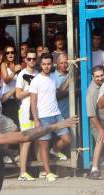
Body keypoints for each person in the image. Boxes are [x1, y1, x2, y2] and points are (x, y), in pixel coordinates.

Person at [29, 53, 72, 182]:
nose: (46, 66)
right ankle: (48, 173)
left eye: (48, 64)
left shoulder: (54, 77)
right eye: (44, 64)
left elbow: (61, 90)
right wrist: (36, 120)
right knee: (44, 146)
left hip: (56, 114)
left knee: (67, 138)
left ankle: (55, 150)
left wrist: (71, 77)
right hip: (43, 117)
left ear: (52, 64)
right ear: (40, 65)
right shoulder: (36, 80)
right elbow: (33, 102)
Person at [16, 48, 39, 181]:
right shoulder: (21, 74)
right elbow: (18, 95)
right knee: (26, 140)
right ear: (25, 60)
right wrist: (30, 90)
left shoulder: (38, 73)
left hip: (36, 109)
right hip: (25, 110)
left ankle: (42, 170)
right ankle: (22, 172)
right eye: (29, 58)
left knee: (38, 139)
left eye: (34, 59)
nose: (31, 61)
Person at [86, 66, 104, 180]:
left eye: (101, 75)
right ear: (92, 77)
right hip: (97, 121)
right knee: (101, 138)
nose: (100, 78)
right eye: (97, 76)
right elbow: (91, 115)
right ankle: (94, 169)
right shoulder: (91, 91)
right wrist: (101, 130)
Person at [0, 46, 21, 126]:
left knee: (18, 124)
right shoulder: (3, 64)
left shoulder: (18, 65)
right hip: (7, 99)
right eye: (8, 53)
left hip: (17, 99)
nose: (10, 54)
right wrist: (14, 72)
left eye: (12, 52)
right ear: (5, 55)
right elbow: (6, 80)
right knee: (10, 126)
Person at [52, 53, 69, 120]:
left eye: (66, 63)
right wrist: (69, 78)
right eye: (61, 63)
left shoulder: (72, 73)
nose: (64, 65)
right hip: (60, 115)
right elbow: (58, 94)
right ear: (57, 64)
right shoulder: (53, 77)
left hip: (73, 112)